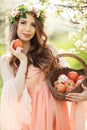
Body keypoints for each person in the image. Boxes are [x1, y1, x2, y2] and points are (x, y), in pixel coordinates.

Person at [0, 1, 71, 130]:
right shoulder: (5, 61)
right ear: (15, 24)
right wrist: (23, 61)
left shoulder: (48, 49)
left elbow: (68, 74)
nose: (28, 29)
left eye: (33, 24)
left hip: (55, 113)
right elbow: (16, 94)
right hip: (30, 118)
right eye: (23, 22)